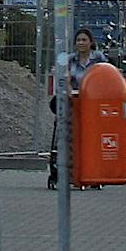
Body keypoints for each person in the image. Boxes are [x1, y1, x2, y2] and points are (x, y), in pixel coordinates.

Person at [48, 28, 101, 187]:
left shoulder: (98, 58)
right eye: (78, 40)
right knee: (68, 137)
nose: (81, 43)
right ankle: (64, 172)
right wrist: (68, 88)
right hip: (73, 103)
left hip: (91, 103)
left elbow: (106, 75)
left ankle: (91, 172)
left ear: (91, 42)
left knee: (90, 138)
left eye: (84, 40)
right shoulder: (70, 59)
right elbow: (62, 77)